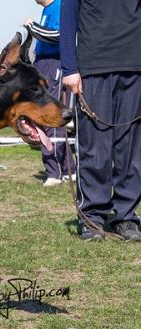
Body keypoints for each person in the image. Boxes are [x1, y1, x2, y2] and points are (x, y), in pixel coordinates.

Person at [60, 0, 141, 241]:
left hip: (135, 66)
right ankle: (92, 216)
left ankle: (126, 216)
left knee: (131, 150)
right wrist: (68, 68)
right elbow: (68, 19)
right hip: (93, 67)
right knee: (95, 148)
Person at [24, 0, 76, 187]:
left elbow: (59, 35)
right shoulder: (48, 9)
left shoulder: (59, 6)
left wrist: (33, 27)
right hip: (43, 64)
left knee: (51, 115)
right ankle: (69, 167)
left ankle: (54, 171)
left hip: (54, 63)